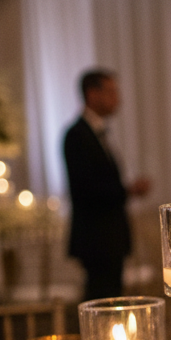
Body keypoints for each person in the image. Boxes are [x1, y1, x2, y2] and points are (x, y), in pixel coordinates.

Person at [63, 69, 150, 302]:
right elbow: (84, 189)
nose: (117, 99)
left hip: (109, 237)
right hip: (96, 237)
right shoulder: (76, 135)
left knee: (111, 295)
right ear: (92, 94)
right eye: (111, 92)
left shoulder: (95, 132)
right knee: (102, 299)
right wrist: (128, 190)